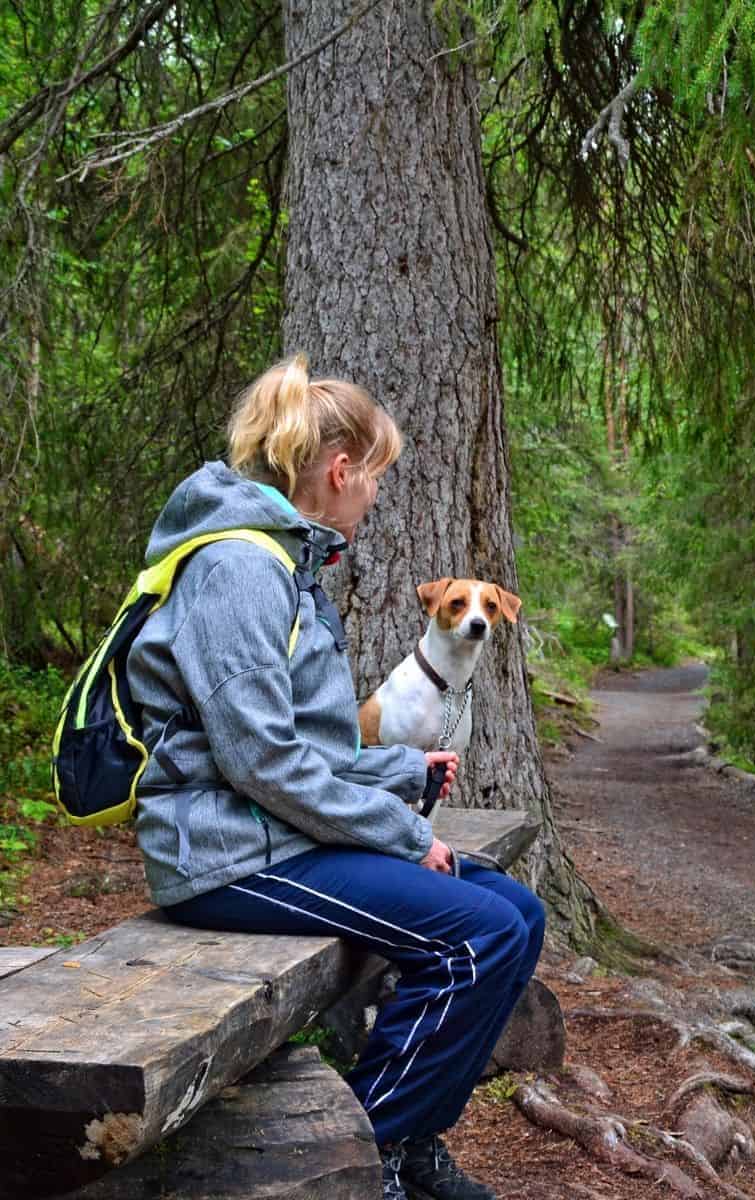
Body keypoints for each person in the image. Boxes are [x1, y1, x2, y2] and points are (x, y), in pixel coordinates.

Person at [126, 354, 544, 1200]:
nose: (377, 498)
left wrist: (399, 768)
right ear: (339, 470)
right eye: (375, 479)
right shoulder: (238, 570)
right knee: (479, 936)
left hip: (276, 833)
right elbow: (258, 761)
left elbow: (306, 741)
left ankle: (415, 1138)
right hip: (226, 853)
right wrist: (403, 831)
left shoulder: (292, 567)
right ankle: (369, 1158)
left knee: (521, 915)